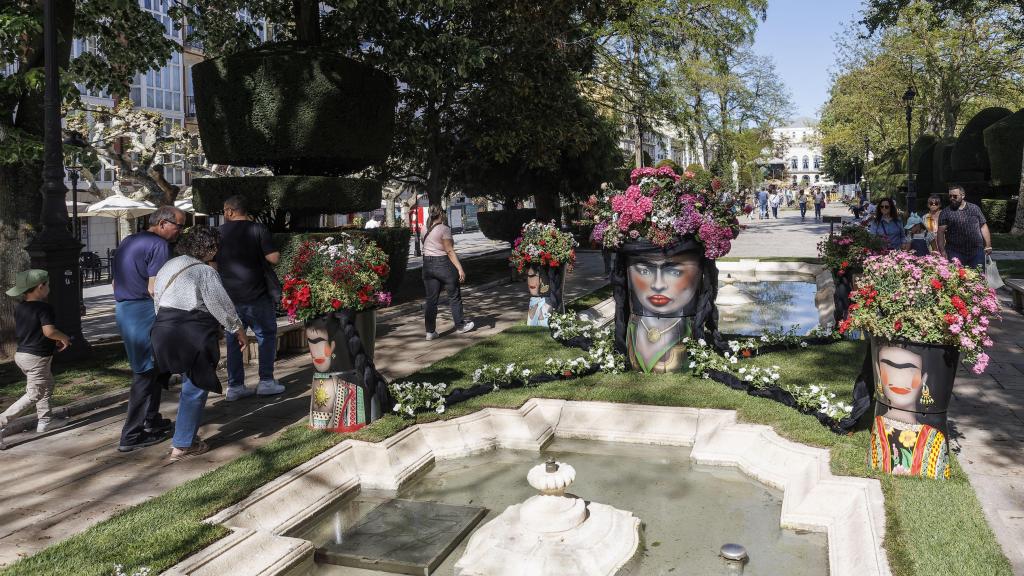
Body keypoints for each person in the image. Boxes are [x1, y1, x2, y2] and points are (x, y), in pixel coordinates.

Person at [152, 227, 247, 461]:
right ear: (209, 248)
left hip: (163, 328)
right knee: (195, 386)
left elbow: (156, 295)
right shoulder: (204, 271)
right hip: (192, 331)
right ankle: (183, 444)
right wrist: (237, 329)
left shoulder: (169, 266)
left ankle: (184, 438)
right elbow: (219, 303)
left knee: (189, 383)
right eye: (215, 247)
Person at [113, 205, 184, 452]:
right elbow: (156, 288)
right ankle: (130, 435)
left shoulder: (129, 240)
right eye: (178, 226)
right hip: (143, 310)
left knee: (154, 368)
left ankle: (151, 420)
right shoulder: (160, 246)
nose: (180, 231)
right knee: (145, 372)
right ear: (163, 223)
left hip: (124, 310)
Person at [216, 195, 285, 401]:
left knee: (234, 340)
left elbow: (211, 264)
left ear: (229, 211)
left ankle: (235, 386)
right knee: (265, 336)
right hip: (257, 294)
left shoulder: (218, 232)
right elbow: (274, 258)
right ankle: (266, 381)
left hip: (228, 297)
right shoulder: (258, 229)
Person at [0, 270, 70, 433]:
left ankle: (45, 421)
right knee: (34, 394)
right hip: (36, 358)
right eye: (48, 285)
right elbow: (49, 332)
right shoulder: (44, 308)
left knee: (47, 384)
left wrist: (54, 339)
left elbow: (34, 330)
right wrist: (64, 337)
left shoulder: (21, 308)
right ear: (40, 286)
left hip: (23, 355)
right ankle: (2, 421)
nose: (49, 288)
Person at [422, 205, 474, 340]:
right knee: (454, 296)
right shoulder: (444, 229)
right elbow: (449, 250)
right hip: (443, 264)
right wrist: (460, 268)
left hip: (427, 265)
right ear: (441, 214)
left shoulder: (424, 229)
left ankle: (430, 332)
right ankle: (460, 325)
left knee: (431, 300)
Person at [937, 185, 992, 268]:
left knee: (979, 277)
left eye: (955, 196)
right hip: (954, 251)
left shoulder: (974, 209)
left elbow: (983, 226)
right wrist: (942, 251)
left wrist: (988, 245)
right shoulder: (945, 212)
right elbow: (940, 232)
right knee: (957, 278)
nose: (952, 198)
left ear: (963, 195)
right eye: (950, 196)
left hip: (976, 251)